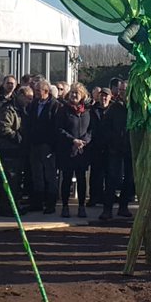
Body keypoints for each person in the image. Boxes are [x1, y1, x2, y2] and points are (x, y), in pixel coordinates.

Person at [54, 84, 92, 218]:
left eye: (77, 93)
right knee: (67, 178)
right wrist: (72, 140)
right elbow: (59, 129)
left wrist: (84, 140)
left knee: (82, 179)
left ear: (82, 95)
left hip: (82, 151)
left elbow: (90, 130)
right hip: (68, 150)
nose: (74, 95)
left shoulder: (87, 111)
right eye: (72, 93)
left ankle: (81, 206)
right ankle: (65, 206)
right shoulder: (63, 110)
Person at [0, 85, 32, 215]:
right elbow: (3, 128)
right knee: (10, 180)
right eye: (28, 98)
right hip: (9, 149)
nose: (29, 101)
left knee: (15, 181)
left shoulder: (22, 110)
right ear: (20, 96)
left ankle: (13, 205)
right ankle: (7, 208)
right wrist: (18, 138)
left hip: (18, 151)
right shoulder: (10, 109)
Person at [100, 79, 134, 220]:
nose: (120, 93)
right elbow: (105, 127)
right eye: (119, 90)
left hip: (130, 149)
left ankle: (123, 206)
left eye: (123, 90)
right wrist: (112, 141)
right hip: (115, 149)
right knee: (112, 179)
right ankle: (107, 209)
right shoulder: (114, 108)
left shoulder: (135, 108)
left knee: (129, 179)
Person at [25, 80, 59, 214]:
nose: (36, 93)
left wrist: (53, 145)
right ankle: (37, 202)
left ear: (46, 91)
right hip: (35, 144)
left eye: (38, 91)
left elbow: (56, 126)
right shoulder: (34, 104)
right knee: (37, 174)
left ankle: (51, 203)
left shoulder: (54, 105)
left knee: (50, 174)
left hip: (47, 145)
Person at [87, 87, 113, 208]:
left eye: (106, 96)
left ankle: (107, 198)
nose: (103, 98)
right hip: (96, 146)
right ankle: (93, 197)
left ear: (110, 97)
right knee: (95, 175)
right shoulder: (92, 110)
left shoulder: (114, 110)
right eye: (102, 95)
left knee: (109, 175)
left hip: (110, 147)